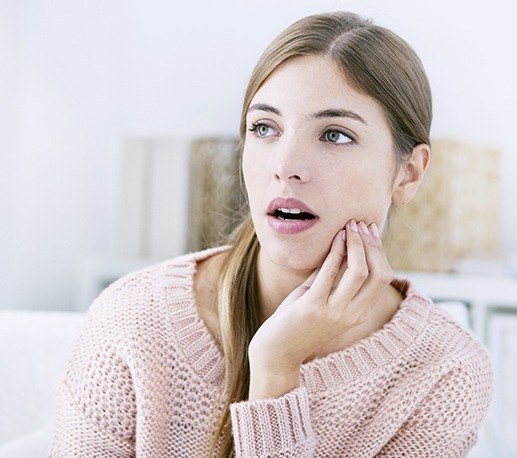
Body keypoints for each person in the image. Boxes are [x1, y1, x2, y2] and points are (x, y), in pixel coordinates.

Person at [49, 11, 493, 457]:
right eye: (265, 128)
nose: (285, 166)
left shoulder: (442, 371)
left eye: (335, 135)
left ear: (408, 174)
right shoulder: (133, 320)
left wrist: (276, 371)